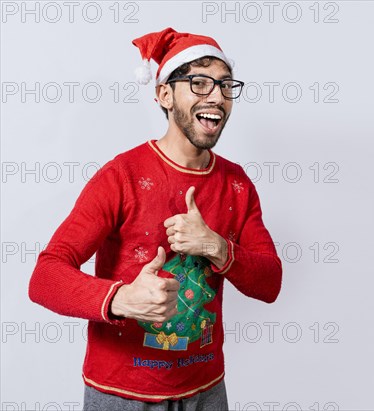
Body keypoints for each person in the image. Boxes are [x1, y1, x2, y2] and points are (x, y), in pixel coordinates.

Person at [28, 27, 283, 410]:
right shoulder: (121, 176)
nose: (216, 96)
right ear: (165, 94)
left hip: (207, 391)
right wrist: (121, 298)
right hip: (122, 393)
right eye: (199, 83)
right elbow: (45, 277)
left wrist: (215, 246)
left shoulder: (237, 184)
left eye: (226, 85)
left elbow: (270, 282)